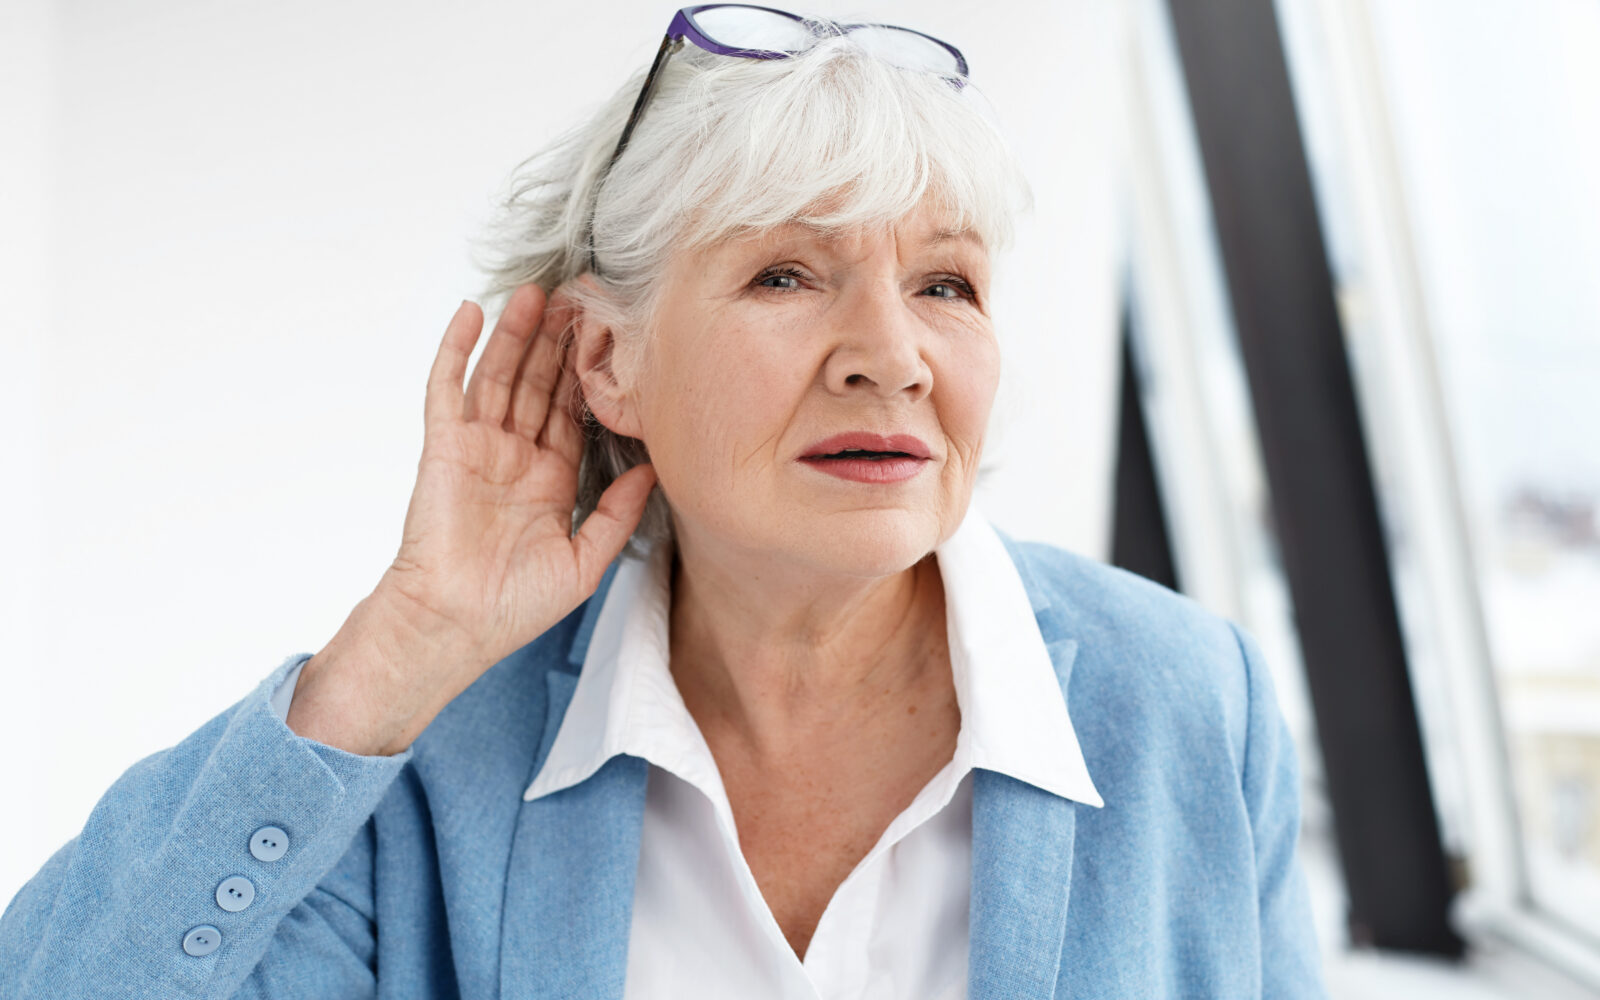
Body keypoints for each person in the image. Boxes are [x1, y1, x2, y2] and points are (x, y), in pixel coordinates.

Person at [0, 5, 1327, 998]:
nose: (891, 353)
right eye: (787, 277)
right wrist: (400, 647)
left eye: (946, 285)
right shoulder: (438, 745)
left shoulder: (1190, 705)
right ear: (607, 361)